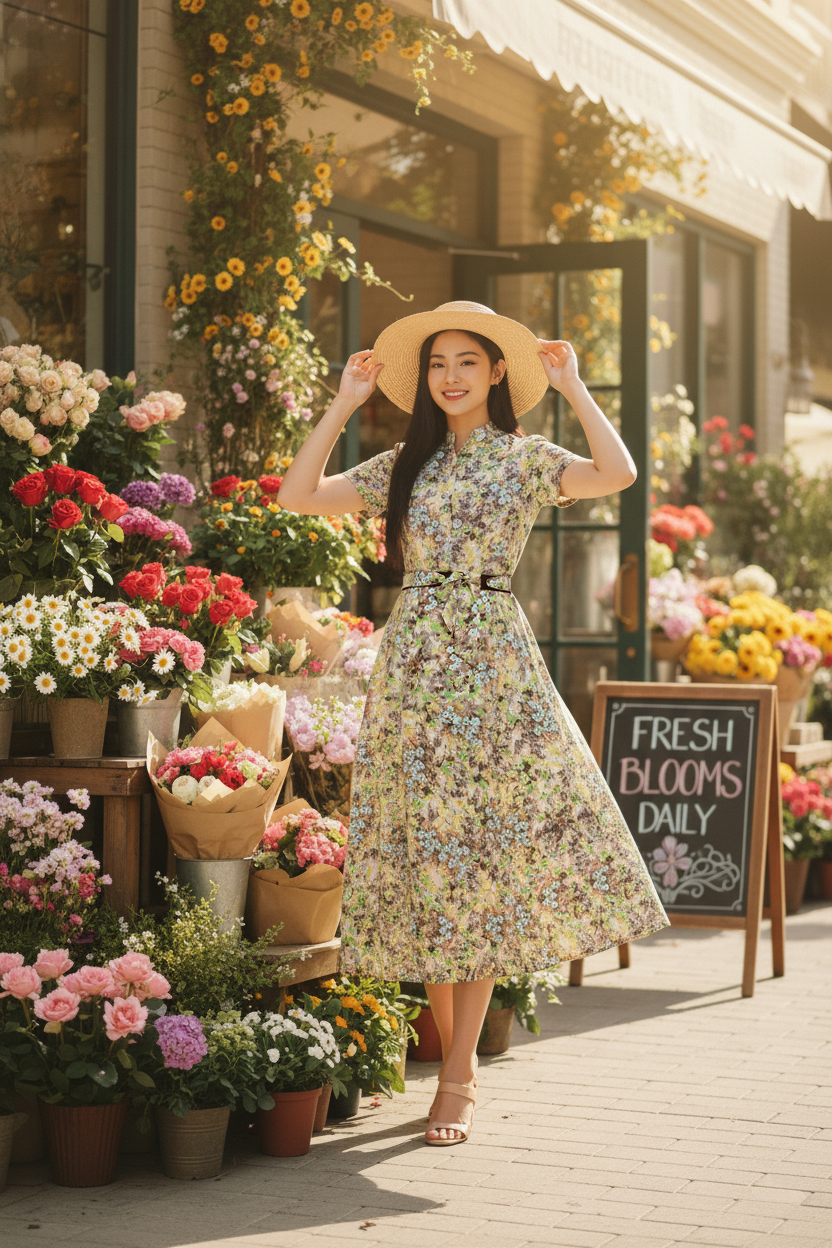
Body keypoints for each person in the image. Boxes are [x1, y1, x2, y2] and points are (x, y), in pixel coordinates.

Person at [277, 301, 669, 1147]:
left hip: (491, 662)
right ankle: (457, 1062)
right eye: (437, 364)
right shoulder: (405, 465)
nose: (449, 377)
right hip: (414, 666)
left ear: (497, 373)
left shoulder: (525, 459)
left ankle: (457, 1073)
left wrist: (573, 387)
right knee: (432, 857)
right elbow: (296, 494)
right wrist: (343, 403)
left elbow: (619, 473)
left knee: (481, 859)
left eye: (466, 362)